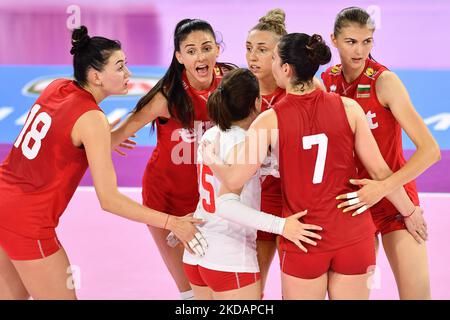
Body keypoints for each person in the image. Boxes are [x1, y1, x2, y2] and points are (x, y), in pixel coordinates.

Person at [202, 33, 418, 299]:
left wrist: (210, 156)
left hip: (305, 237)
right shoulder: (349, 108)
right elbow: (381, 172)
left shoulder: (269, 120)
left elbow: (234, 180)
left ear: (285, 69)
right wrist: (408, 211)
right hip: (354, 236)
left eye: (274, 59)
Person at [0, 26, 206, 300]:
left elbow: (55, 140)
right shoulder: (92, 119)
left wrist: (103, 141)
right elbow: (109, 200)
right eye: (119, 67)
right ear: (96, 76)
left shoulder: (57, 86)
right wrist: (173, 222)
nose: (128, 74)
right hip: (28, 221)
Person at [111, 19, 235, 300]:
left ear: (217, 49)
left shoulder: (231, 81)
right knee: (189, 291)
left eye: (206, 48)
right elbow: (119, 130)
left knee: (221, 287)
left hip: (210, 200)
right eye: (190, 51)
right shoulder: (168, 94)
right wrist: (107, 138)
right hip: (165, 199)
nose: (200, 56)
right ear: (180, 57)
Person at [321, 7, 440, 299]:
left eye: (367, 41)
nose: (360, 50)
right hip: (351, 202)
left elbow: (430, 151)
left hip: (395, 201)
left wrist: (386, 190)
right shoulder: (327, 81)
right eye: (351, 41)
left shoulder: (384, 82)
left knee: (417, 295)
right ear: (334, 40)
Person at [182, 68, 322, 300]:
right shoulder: (245, 141)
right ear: (257, 103)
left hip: (197, 254)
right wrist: (282, 226)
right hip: (229, 258)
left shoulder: (211, 135)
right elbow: (227, 206)